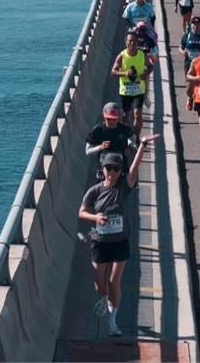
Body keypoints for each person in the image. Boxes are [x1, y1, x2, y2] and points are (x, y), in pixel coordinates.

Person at [78, 133, 159, 337]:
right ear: (102, 170)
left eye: (116, 169)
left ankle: (113, 321)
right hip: (100, 242)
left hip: (120, 241)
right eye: (109, 169)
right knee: (100, 286)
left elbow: (134, 169)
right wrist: (96, 218)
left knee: (115, 282)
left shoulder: (124, 187)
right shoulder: (95, 191)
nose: (112, 172)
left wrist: (141, 146)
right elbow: (81, 211)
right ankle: (104, 299)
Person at [111, 31, 153, 132]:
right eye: (130, 41)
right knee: (125, 115)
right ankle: (127, 137)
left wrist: (145, 74)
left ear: (137, 42)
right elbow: (113, 71)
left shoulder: (142, 55)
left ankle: (136, 138)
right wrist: (125, 73)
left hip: (138, 89)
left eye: (134, 41)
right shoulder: (122, 56)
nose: (132, 43)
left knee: (137, 114)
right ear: (126, 42)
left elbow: (150, 66)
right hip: (125, 90)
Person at [85, 102, 136, 169]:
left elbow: (133, 141)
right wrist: (100, 147)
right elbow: (87, 151)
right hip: (103, 167)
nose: (111, 122)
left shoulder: (125, 129)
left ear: (119, 116)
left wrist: (130, 146)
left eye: (114, 119)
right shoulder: (97, 130)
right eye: (108, 119)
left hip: (121, 166)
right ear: (103, 115)